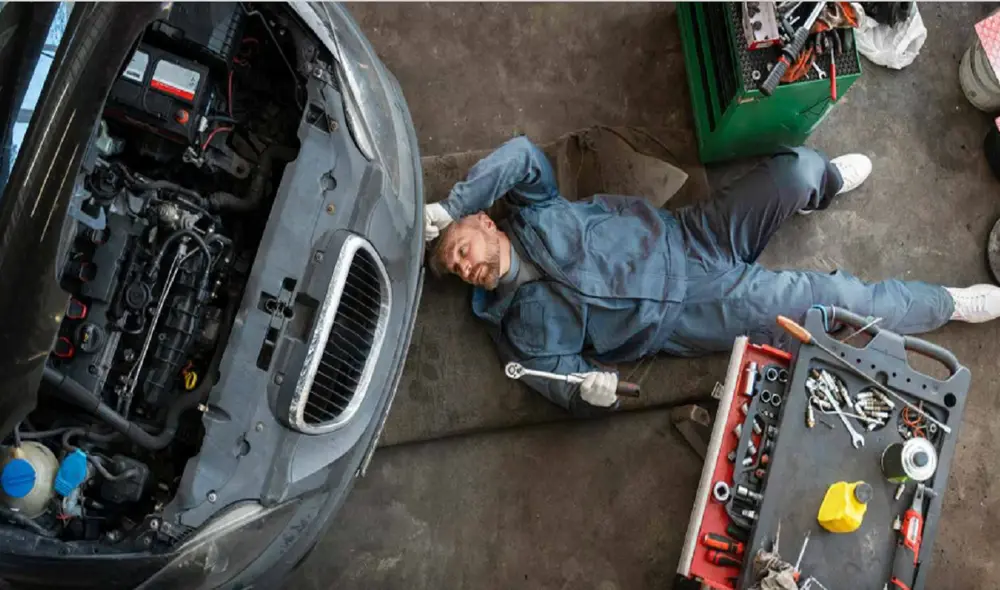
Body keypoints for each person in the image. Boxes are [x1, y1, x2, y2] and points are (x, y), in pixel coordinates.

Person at [424, 137, 1000, 415]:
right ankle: (945, 304)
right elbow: (566, 388)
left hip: (689, 234)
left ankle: (820, 188)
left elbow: (521, 153)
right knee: (838, 301)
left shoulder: (535, 207)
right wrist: (589, 393)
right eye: (457, 270)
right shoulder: (520, 334)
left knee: (798, 170)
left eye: (460, 249)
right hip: (693, 311)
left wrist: (451, 204)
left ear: (483, 221)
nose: (465, 267)